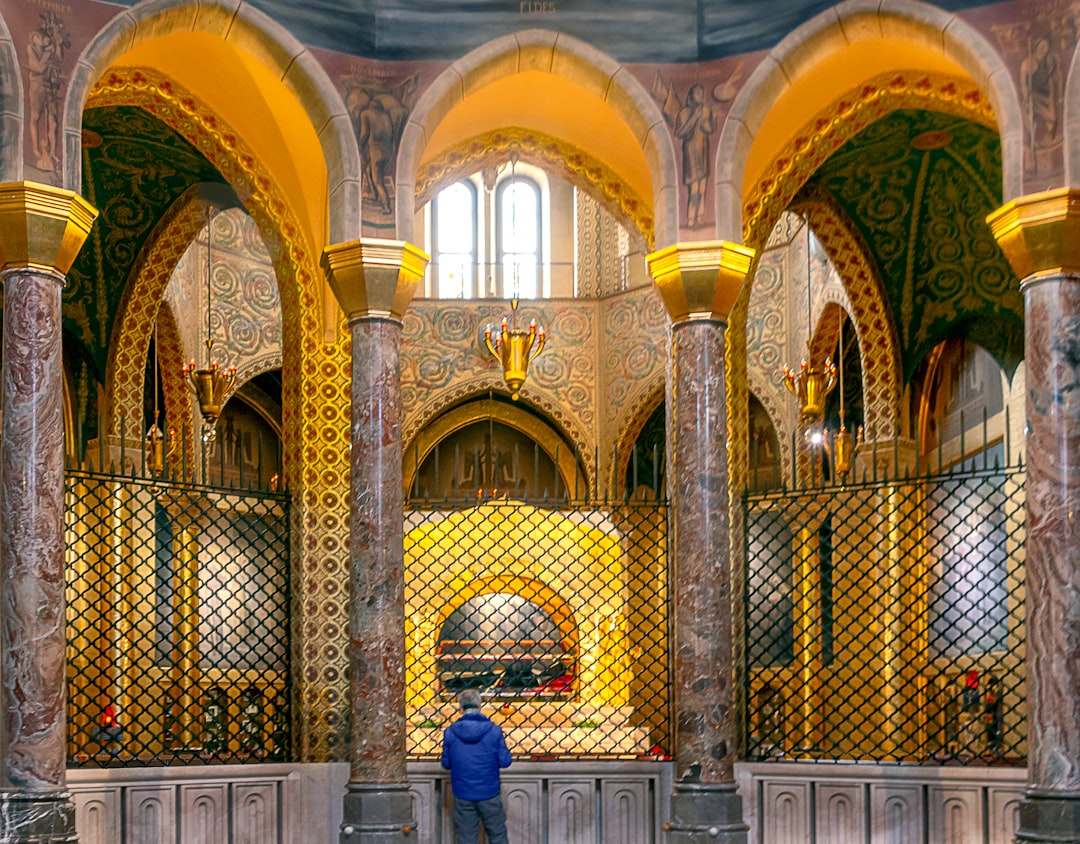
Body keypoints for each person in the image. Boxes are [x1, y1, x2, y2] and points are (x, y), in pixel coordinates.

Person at [441, 688, 512, 844]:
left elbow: (446, 763)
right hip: (489, 792)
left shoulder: (450, 732)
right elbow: (505, 761)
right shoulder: (494, 731)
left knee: (466, 838)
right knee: (497, 834)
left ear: (460, 708)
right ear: (480, 705)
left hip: (463, 793)